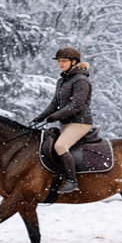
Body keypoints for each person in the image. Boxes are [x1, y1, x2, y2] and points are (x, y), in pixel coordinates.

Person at [31, 46, 93, 194]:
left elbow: (76, 105)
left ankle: (72, 182)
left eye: (64, 61)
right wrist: (41, 116)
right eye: (59, 61)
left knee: (60, 146)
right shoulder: (62, 81)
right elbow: (54, 103)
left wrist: (55, 116)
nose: (61, 64)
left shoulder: (81, 80)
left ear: (73, 62)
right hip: (66, 122)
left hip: (80, 122)